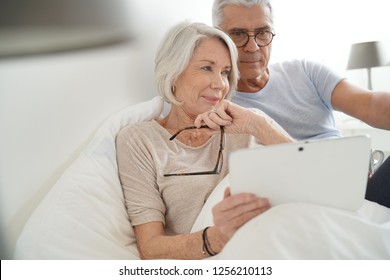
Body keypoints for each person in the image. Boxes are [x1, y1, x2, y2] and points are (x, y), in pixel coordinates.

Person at [116, 21, 293, 260]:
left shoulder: (248, 123)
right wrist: (219, 237)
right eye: (207, 68)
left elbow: (316, 171)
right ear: (173, 74)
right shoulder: (140, 140)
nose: (220, 84)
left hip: (281, 234)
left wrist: (256, 125)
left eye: (225, 72)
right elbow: (150, 247)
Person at [212, 0, 390, 207]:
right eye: (238, 34)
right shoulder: (217, 102)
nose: (253, 47)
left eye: (263, 32)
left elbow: (373, 105)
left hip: (359, 192)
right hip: (298, 206)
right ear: (218, 38)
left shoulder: (306, 72)